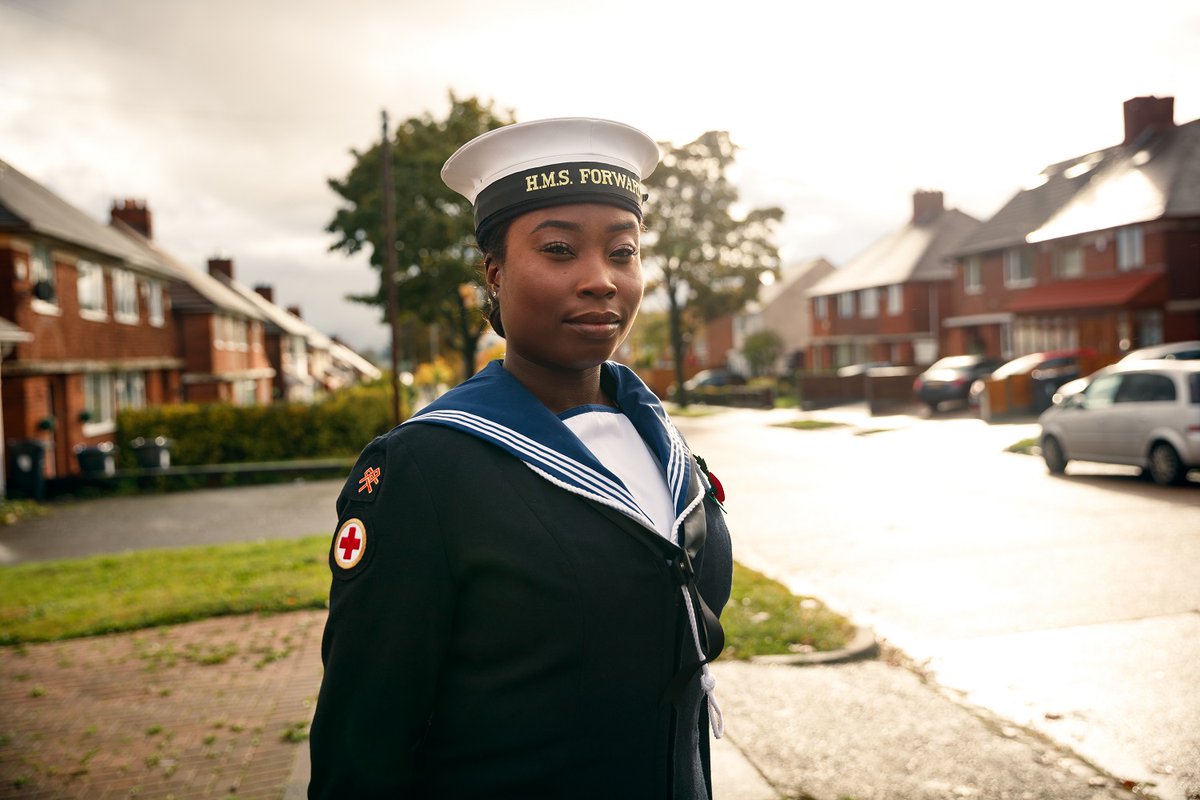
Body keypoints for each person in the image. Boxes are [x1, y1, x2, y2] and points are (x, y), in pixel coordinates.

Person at [308, 117, 733, 799]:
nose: (601, 280)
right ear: (495, 273)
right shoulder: (429, 466)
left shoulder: (660, 439)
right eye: (560, 250)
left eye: (623, 252)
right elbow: (362, 747)